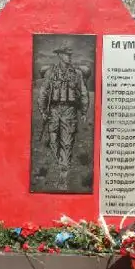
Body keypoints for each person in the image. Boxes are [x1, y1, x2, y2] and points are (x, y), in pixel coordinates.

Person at [37, 45, 89, 189]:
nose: (69, 57)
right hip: (53, 110)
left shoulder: (77, 74)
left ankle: (63, 175)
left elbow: (83, 93)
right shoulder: (51, 73)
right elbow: (43, 92)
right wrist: (43, 111)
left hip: (69, 111)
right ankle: (62, 162)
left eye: (70, 54)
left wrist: (84, 111)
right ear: (60, 55)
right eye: (66, 54)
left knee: (67, 142)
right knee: (53, 140)